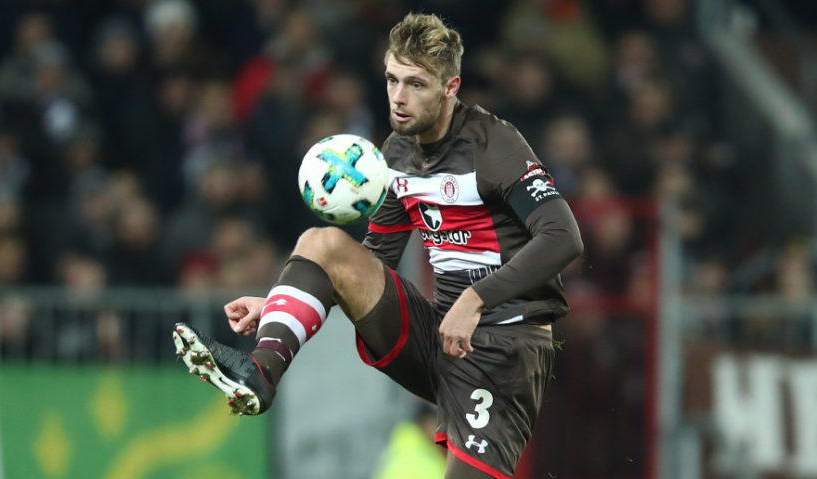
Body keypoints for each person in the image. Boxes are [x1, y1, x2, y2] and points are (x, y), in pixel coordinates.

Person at [172, 13, 583, 479]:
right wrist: (279, 303)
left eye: (416, 84)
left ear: (451, 88)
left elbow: (563, 237)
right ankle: (259, 374)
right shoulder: (397, 153)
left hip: (504, 347)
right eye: (392, 80)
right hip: (438, 335)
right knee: (323, 244)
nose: (399, 97)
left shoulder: (495, 144)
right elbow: (371, 261)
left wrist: (475, 299)